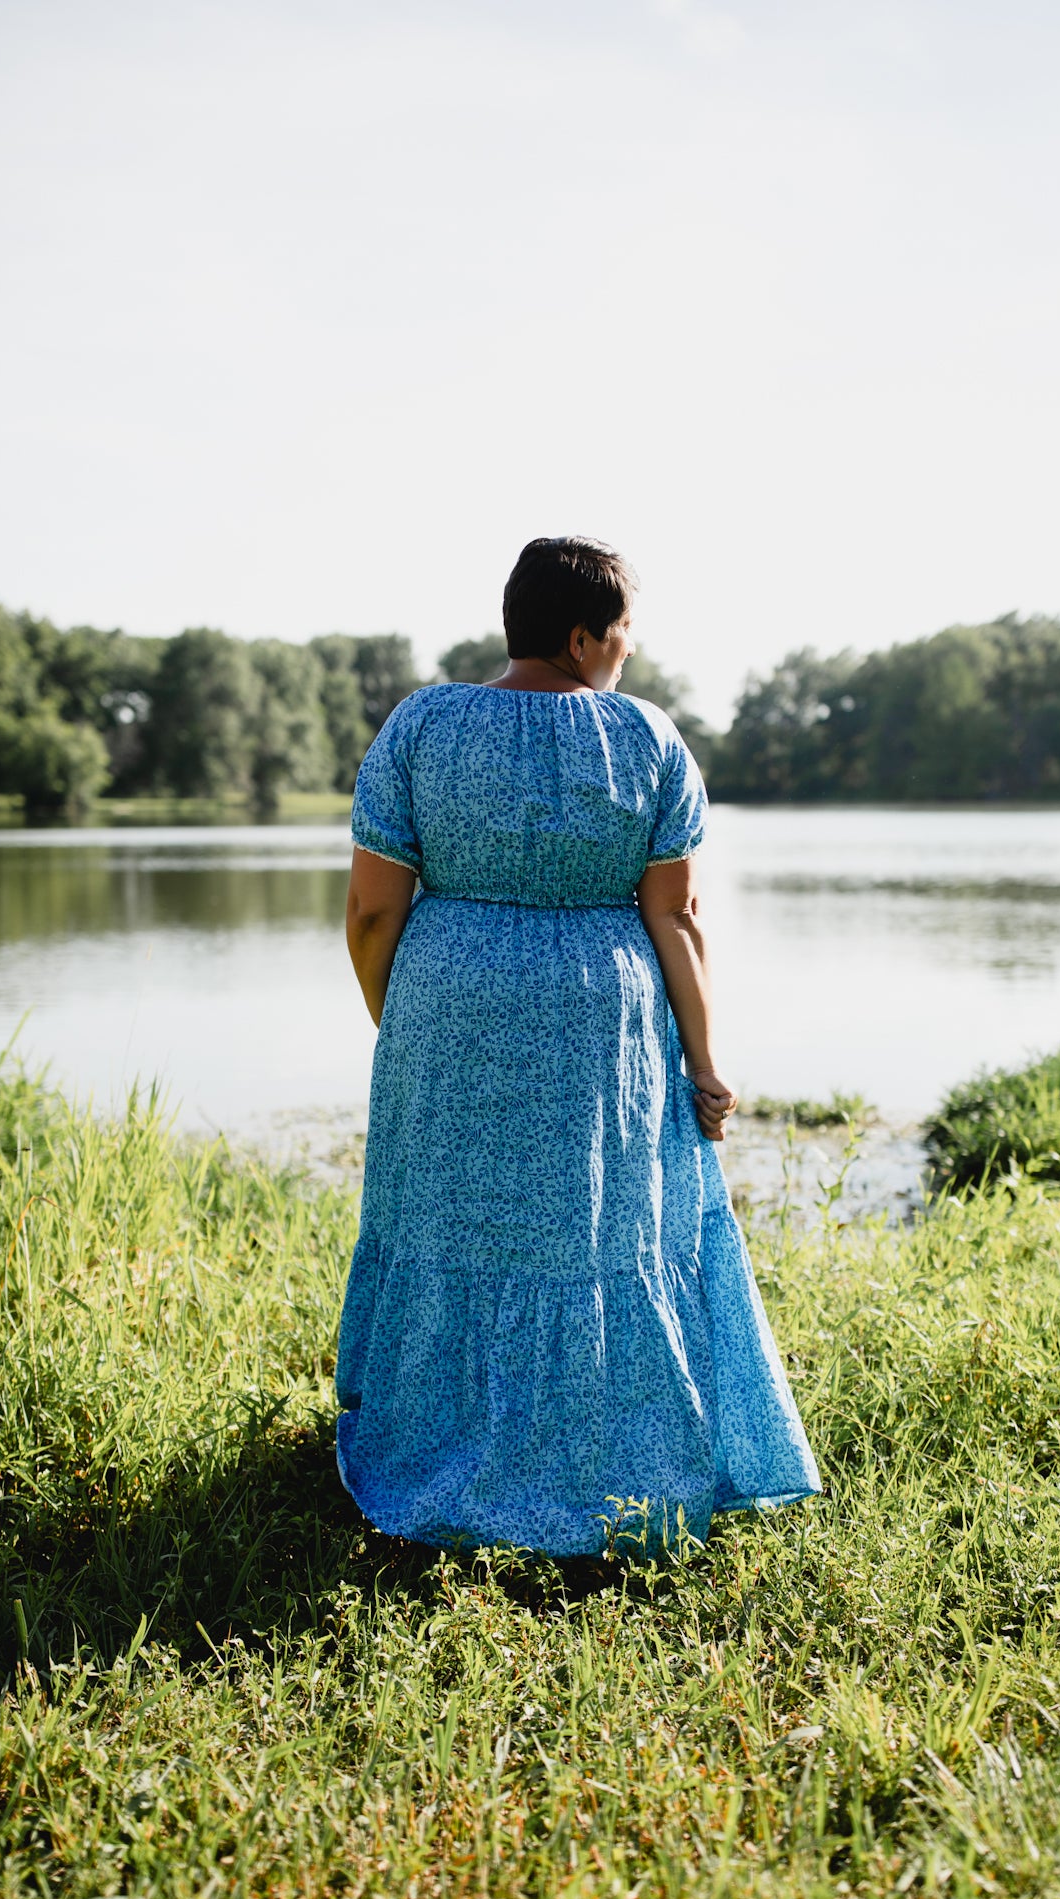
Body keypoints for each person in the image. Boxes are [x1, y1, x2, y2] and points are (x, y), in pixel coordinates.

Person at [336, 537, 820, 1554]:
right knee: (599, 1229)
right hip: (600, 1021)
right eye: (625, 635)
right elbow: (677, 917)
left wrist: (412, 1025)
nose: (630, 655)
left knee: (451, 1226)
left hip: (443, 1005)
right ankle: (609, 1460)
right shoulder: (648, 740)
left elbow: (374, 916)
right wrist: (704, 1059)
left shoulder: (420, 725)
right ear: (580, 636)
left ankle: (435, 1447)